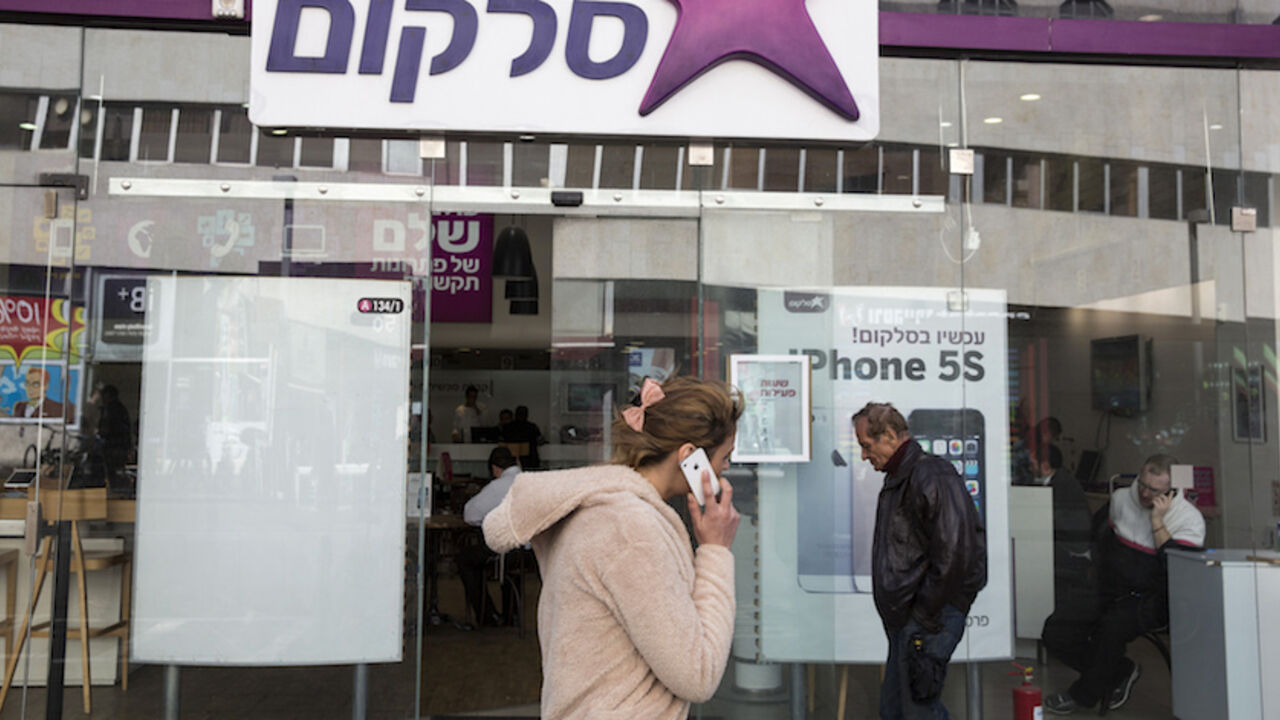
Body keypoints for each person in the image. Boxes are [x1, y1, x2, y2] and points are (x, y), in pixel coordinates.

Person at [483, 377, 742, 720]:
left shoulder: (607, 510)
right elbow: (697, 675)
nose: (726, 468)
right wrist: (716, 551)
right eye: (725, 457)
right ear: (689, 457)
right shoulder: (632, 530)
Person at [852, 402, 987, 720]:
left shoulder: (929, 474)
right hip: (915, 618)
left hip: (925, 618)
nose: (863, 455)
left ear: (887, 435)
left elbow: (956, 553)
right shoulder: (905, 475)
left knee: (915, 712)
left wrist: (923, 615)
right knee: (900, 710)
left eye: (866, 446)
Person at [1043, 454, 1205, 715]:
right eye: (1142, 484)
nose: (1144, 493)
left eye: (1154, 490)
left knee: (1111, 630)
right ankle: (1119, 671)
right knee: (1057, 630)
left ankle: (1083, 695)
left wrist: (1157, 522)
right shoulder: (1121, 499)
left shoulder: (1189, 519)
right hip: (1109, 587)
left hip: (1152, 598)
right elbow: (1100, 537)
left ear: (1172, 491)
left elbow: (1177, 570)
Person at [1033, 444, 1097, 645]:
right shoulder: (1054, 482)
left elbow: (1057, 521)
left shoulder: (1063, 485)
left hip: (1074, 551)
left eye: (1031, 463)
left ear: (1044, 465)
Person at [459, 446, 521, 627]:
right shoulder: (529, 481)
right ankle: (512, 615)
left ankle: (487, 616)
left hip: (504, 549)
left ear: (495, 468)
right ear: (516, 462)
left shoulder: (498, 486)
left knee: (466, 559)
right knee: (513, 566)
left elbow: (470, 515)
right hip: (529, 552)